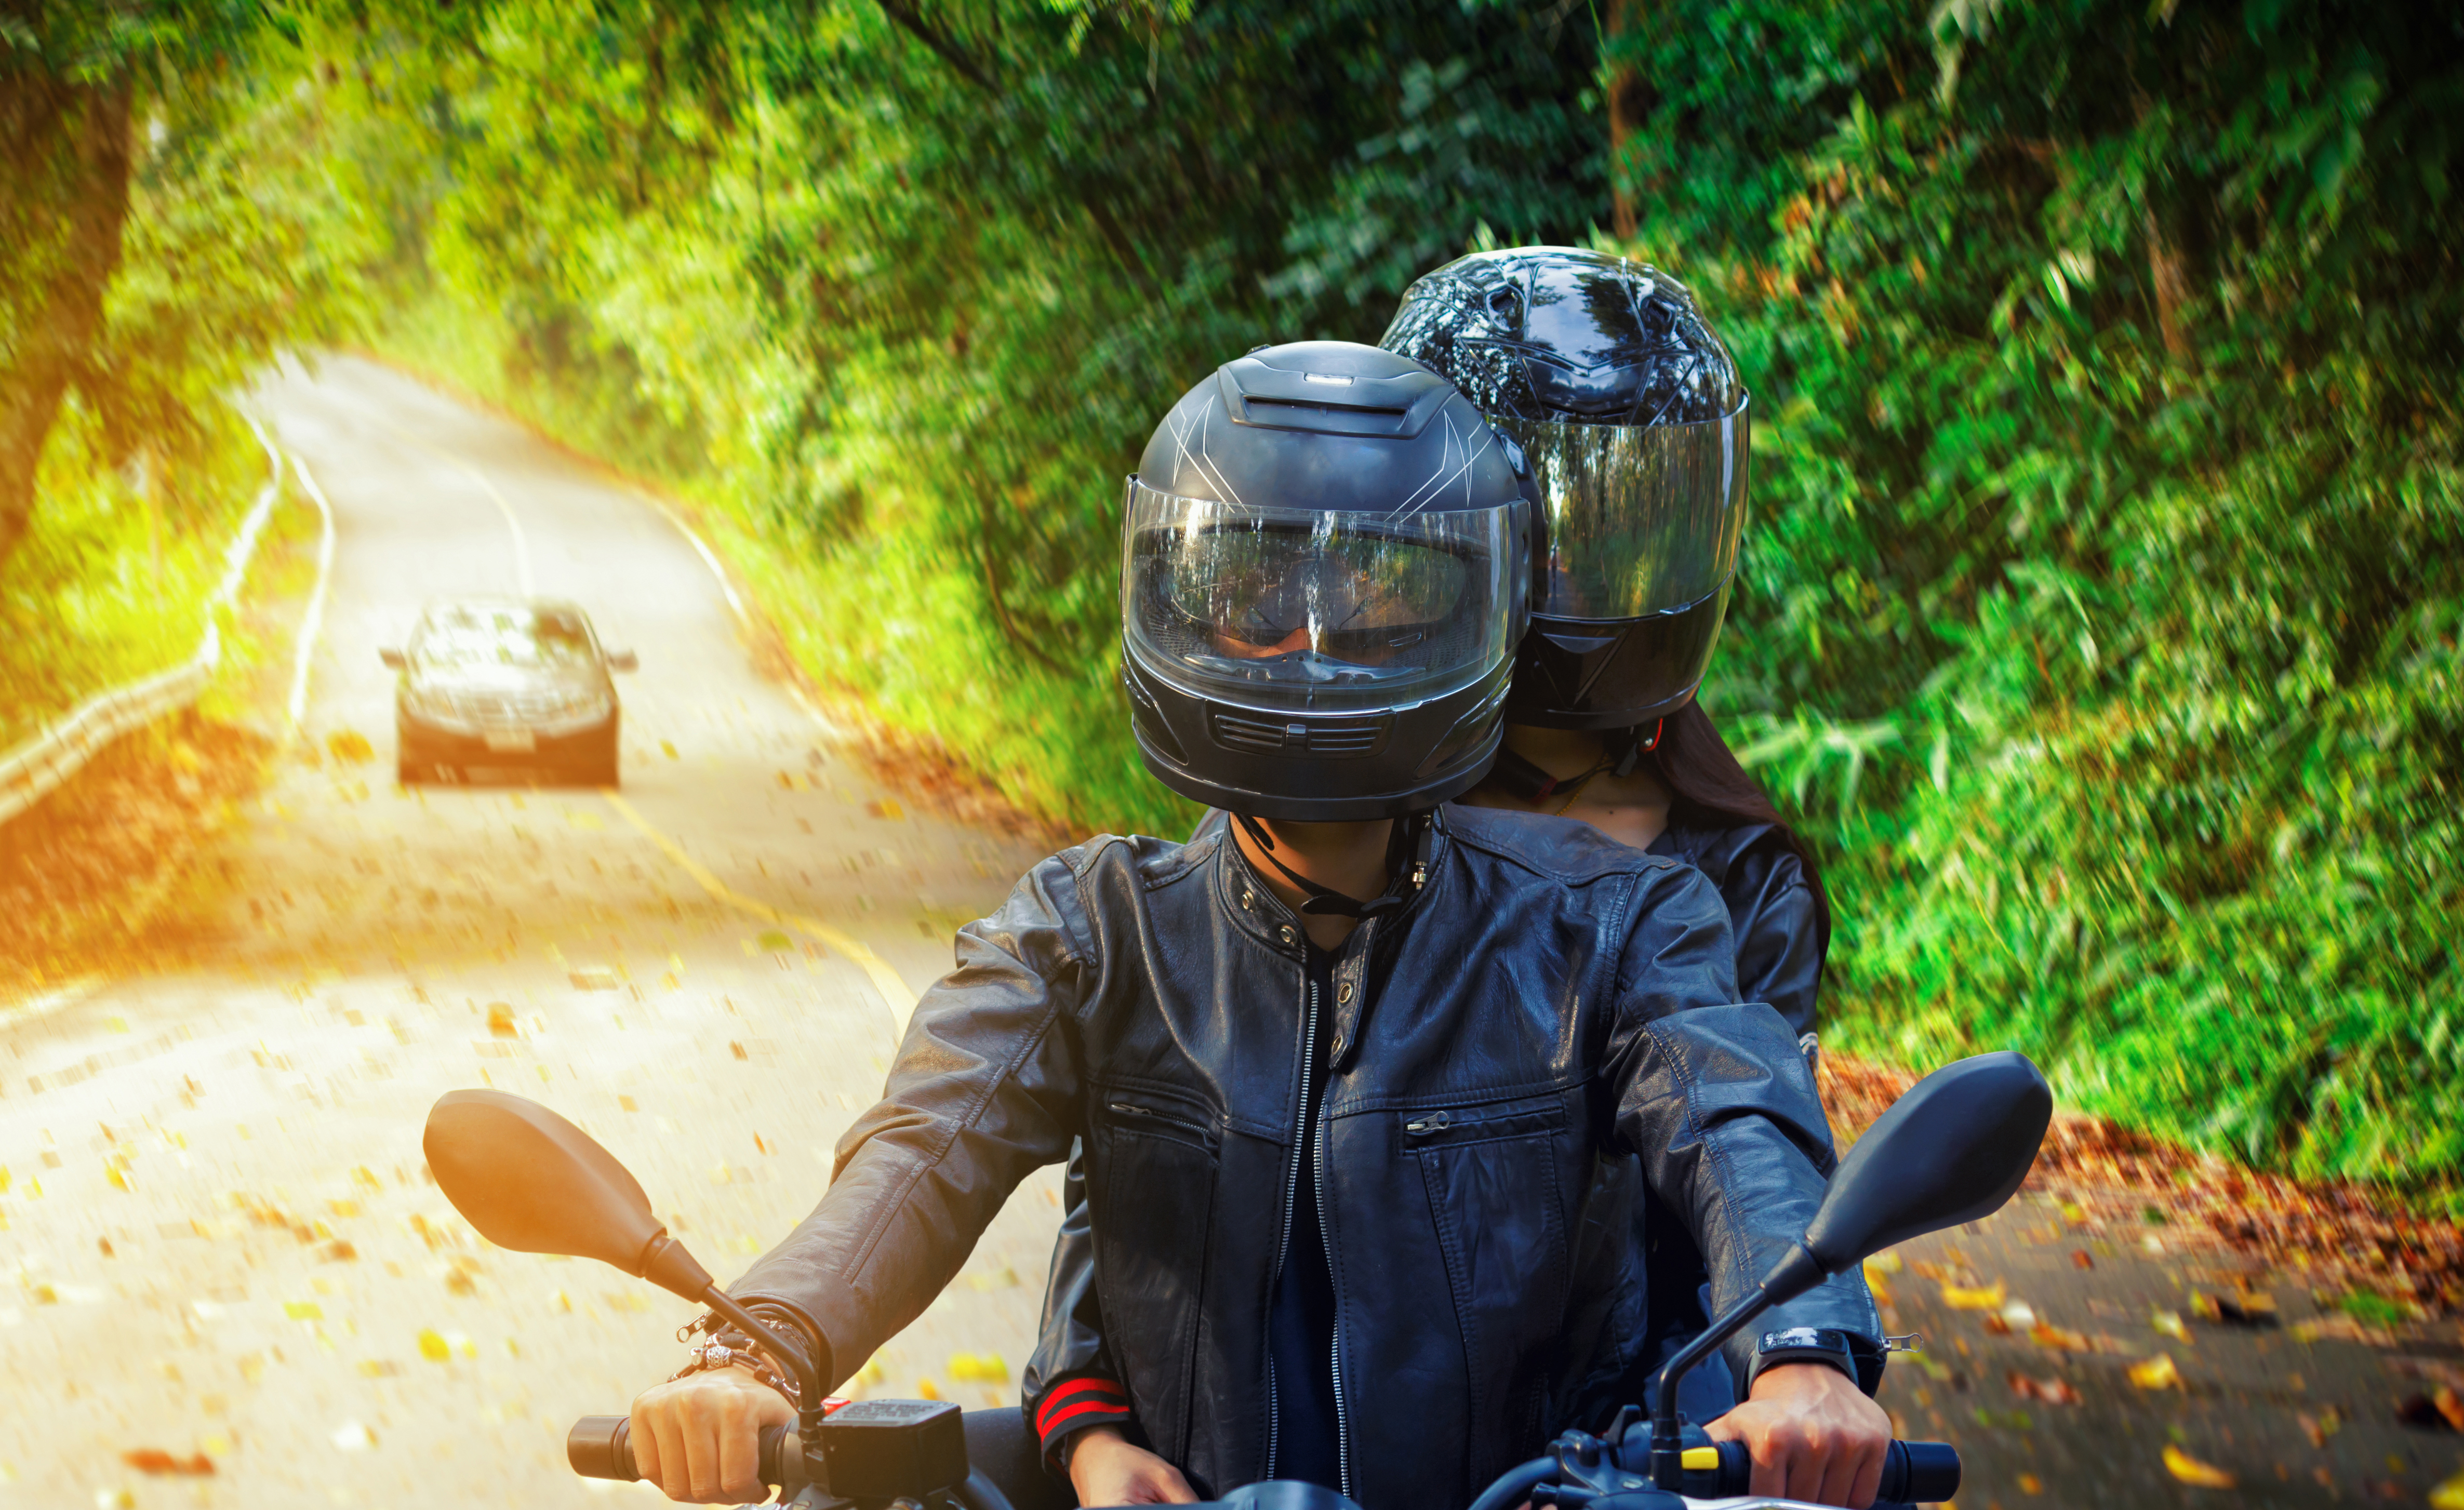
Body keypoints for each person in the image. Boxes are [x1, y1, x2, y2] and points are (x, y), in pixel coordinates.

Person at [625, 341, 1889, 1510]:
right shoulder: (1091, 929)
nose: (1310, 651)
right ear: (1172, 605)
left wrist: (1802, 1348)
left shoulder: (1616, 920)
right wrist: (759, 1344)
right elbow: (922, 1151)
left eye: (1376, 609)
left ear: (1478, 611)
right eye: (1255, 603)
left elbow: (1737, 1113)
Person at [1028, 250, 1854, 1503]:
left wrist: (1790, 1368)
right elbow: (1163, 1130)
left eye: (1634, 521)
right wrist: (1085, 1413)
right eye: (1548, 524)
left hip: (1615, 1450)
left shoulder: (1730, 873)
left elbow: (1744, 1158)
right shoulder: (1343, 786)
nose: (1588, 570)